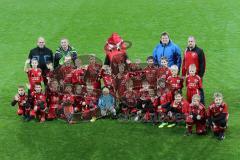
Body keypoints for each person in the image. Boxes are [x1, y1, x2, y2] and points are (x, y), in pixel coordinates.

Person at [182, 36, 206, 104]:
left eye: (191, 41)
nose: (190, 43)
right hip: (188, 75)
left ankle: (201, 105)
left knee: (199, 90)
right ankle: (190, 105)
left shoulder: (199, 51)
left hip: (197, 75)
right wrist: (183, 74)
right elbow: (184, 62)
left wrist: (200, 76)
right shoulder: (186, 50)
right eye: (189, 41)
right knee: (189, 89)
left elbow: (203, 64)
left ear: (195, 42)